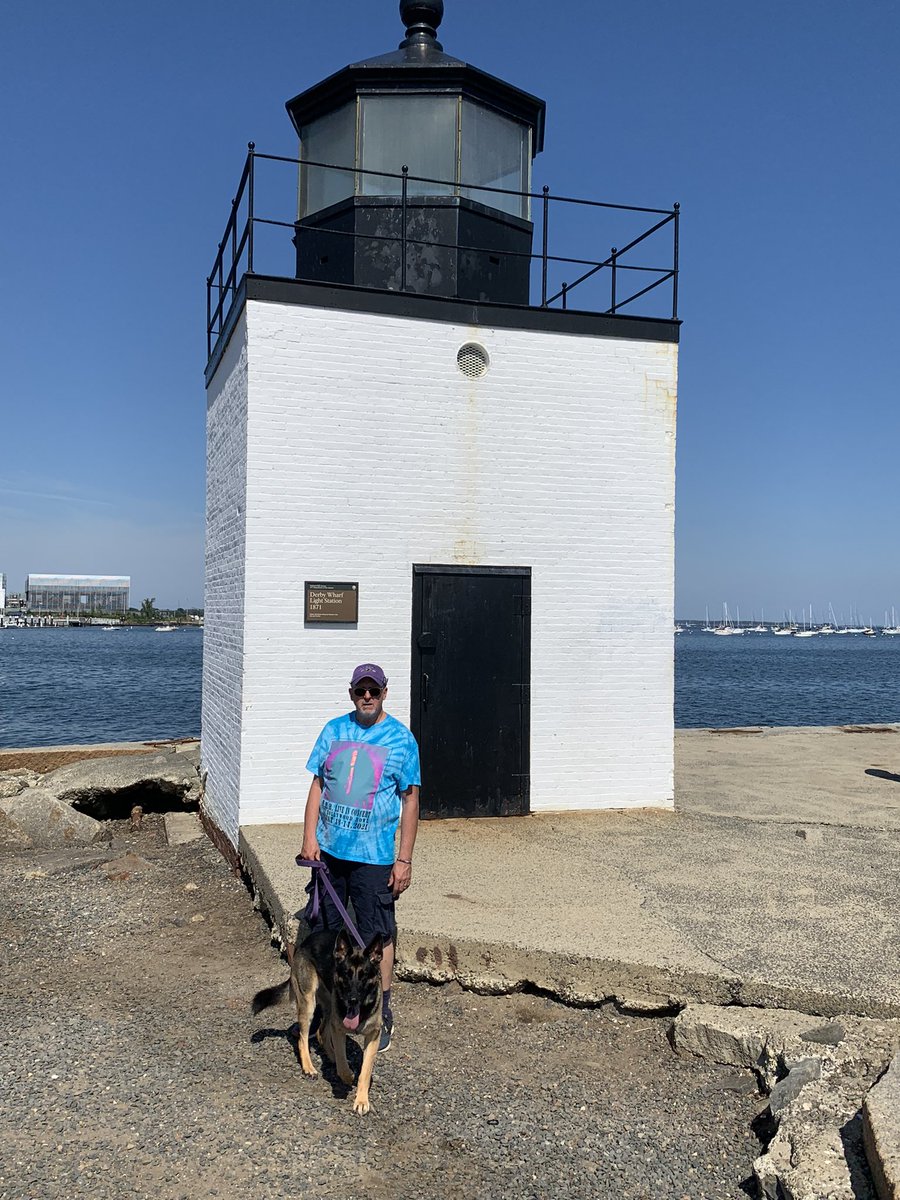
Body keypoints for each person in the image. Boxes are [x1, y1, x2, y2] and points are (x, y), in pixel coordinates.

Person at [300, 663, 420, 1052]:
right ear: (351, 692)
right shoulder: (334, 730)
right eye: (359, 690)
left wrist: (404, 859)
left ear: (385, 692)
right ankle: (333, 1008)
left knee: (377, 936)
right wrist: (309, 838)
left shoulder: (401, 739)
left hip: (376, 858)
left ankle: (380, 1011)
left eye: (373, 690)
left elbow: (411, 799)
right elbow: (318, 785)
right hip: (331, 854)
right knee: (331, 936)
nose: (366, 696)